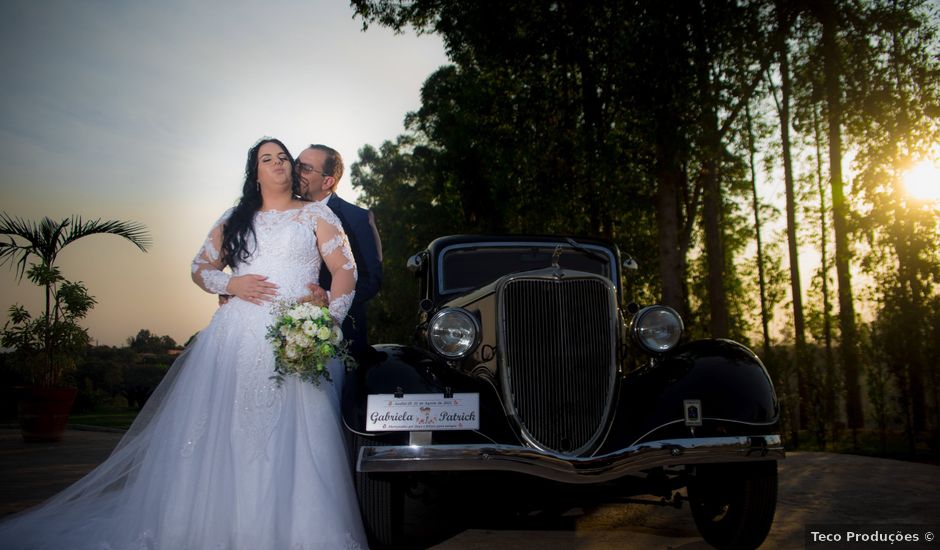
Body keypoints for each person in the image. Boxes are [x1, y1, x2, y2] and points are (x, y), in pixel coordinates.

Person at [0, 138, 368, 550]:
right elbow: (199, 267)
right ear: (256, 172)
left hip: (294, 338)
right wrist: (231, 282)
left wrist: (327, 320)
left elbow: (345, 270)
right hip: (235, 339)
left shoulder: (317, 215)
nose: (279, 163)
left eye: (283, 156)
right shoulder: (236, 218)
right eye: (268, 159)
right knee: (226, 432)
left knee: (297, 437)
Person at [296, 144, 382, 359]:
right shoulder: (283, 214)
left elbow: (371, 280)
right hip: (286, 327)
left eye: (305, 168)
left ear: (327, 181)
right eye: (295, 164)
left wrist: (328, 298)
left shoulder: (357, 219)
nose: (295, 172)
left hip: (341, 335)